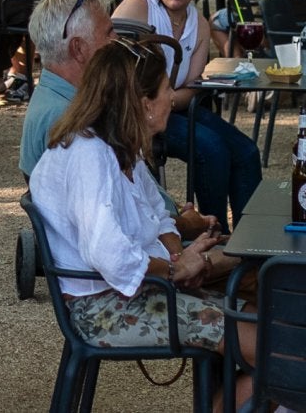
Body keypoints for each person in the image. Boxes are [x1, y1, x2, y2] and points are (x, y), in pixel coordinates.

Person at [29, 35, 253, 390]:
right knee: (269, 344)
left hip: (135, 289)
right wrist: (176, 268)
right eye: (167, 89)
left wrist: (180, 255)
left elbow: (158, 216)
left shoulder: (118, 146)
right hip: (102, 309)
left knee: (260, 295)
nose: (171, 98)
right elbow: (110, 255)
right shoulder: (90, 154)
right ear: (144, 103)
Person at [114, 0, 261, 226]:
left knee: (247, 152)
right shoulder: (140, 6)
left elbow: (193, 87)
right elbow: (109, 66)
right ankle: (213, 234)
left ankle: (248, 241)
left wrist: (167, 100)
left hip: (176, 108)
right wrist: (161, 101)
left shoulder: (200, 24)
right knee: (212, 149)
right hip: (137, 111)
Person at [19, 0, 113, 177]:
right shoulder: (71, 120)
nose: (116, 41)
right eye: (108, 34)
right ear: (78, 49)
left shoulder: (58, 97)